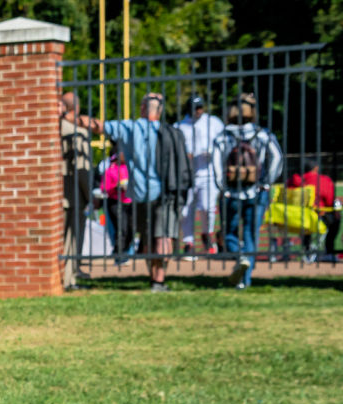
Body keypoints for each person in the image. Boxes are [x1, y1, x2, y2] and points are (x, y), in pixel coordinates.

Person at [78, 93, 187, 290]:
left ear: (143, 109)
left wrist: (73, 117)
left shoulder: (131, 127)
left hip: (140, 194)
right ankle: (158, 280)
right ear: (160, 111)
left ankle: (154, 278)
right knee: (163, 238)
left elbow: (97, 126)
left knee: (147, 239)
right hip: (165, 193)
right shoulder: (171, 132)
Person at [211, 93, 285, 289]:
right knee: (252, 235)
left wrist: (222, 187)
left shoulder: (223, 135)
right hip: (256, 192)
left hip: (231, 192)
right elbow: (277, 157)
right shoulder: (262, 133)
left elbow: (216, 165)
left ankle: (239, 257)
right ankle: (246, 280)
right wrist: (266, 181)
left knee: (230, 234)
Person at [176, 95, 225, 253]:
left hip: (208, 173)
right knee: (186, 211)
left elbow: (224, 143)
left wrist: (214, 153)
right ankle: (188, 242)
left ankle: (207, 234)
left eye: (201, 107)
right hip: (186, 175)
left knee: (207, 207)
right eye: (196, 108)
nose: (199, 111)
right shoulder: (180, 126)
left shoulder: (214, 122)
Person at [59, 92, 95, 289]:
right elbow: (82, 168)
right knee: (71, 240)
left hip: (62, 191)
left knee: (65, 239)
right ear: (77, 108)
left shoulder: (58, 127)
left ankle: (67, 278)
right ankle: (68, 280)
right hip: (74, 193)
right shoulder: (77, 131)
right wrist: (90, 195)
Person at [286, 159, 337, 261]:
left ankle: (307, 248)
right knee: (335, 218)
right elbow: (329, 201)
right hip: (315, 218)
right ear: (316, 168)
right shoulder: (323, 180)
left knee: (306, 218)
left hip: (292, 218)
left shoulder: (292, 181)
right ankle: (329, 250)